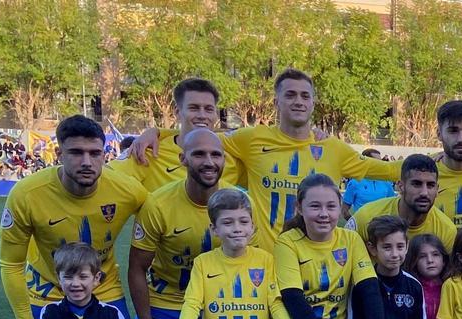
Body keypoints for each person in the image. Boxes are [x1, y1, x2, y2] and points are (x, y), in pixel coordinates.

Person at [129, 69, 398, 248]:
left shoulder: (333, 148)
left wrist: (429, 163)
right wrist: (158, 132)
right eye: (290, 94)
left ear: (314, 103)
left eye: (305, 96)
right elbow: (198, 137)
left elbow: (379, 169)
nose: (298, 101)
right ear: (276, 101)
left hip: (310, 258)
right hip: (261, 259)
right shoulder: (251, 138)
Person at [0, 115, 148, 319]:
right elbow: (10, 264)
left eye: (95, 153)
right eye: (76, 153)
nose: (87, 162)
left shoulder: (127, 190)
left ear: (104, 154)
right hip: (46, 291)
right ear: (59, 155)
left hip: (104, 289)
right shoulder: (27, 194)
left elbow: (159, 216)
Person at [173, 189, 309, 319]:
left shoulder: (265, 260)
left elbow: (275, 303)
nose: (237, 229)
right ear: (214, 229)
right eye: (228, 223)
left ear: (252, 226)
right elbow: (191, 304)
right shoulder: (203, 263)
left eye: (244, 221)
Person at [128, 128, 230, 319]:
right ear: (182, 159)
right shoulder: (158, 204)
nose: (209, 162)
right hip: (168, 306)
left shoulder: (238, 202)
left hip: (221, 305)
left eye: (216, 155)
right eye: (199, 154)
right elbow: (136, 268)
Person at [274, 173, 385, 319]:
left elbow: (369, 289)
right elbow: (293, 299)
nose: (324, 214)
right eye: (315, 206)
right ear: (299, 208)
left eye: (331, 206)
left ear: (340, 208)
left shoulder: (351, 239)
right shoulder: (287, 242)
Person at [109, 78, 237, 191]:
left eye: (209, 109)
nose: (202, 116)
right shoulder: (148, 152)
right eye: (194, 108)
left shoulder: (233, 156)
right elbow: (105, 178)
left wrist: (158, 131)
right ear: (177, 112)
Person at [32, 243, 135, 319]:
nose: (75, 284)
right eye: (68, 277)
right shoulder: (51, 311)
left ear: (96, 278)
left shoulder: (111, 313)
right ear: (59, 279)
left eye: (83, 277)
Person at [350, 154, 456, 253]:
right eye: (416, 184)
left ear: (437, 189)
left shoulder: (446, 230)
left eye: (430, 185)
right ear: (401, 186)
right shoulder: (367, 217)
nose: (424, 193)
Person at [361, 216, 427, 319]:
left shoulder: (414, 285)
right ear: (372, 248)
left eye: (400, 246)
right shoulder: (362, 284)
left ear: (407, 246)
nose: (395, 254)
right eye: (387, 247)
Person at [404, 234, 448, 319]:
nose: (430, 260)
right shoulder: (411, 288)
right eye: (422, 256)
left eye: (435, 254)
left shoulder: (451, 287)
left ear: (444, 260)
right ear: (413, 261)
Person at [341, 148, 397, 220]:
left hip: (382, 229)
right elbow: (344, 211)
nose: (381, 165)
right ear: (366, 163)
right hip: (361, 230)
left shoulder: (386, 183)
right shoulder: (355, 183)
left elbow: (394, 207)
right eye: (377, 162)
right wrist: (357, 224)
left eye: (381, 162)